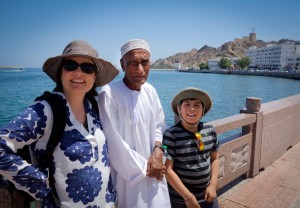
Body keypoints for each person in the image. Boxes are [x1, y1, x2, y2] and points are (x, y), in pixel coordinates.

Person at [0, 40, 119, 207]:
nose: (79, 72)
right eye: (71, 65)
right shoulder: (45, 110)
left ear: (94, 76)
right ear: (60, 73)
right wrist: (38, 184)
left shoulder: (94, 107)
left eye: (87, 68)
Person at [98, 39, 171, 207]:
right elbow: (113, 141)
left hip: (155, 168)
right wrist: (147, 168)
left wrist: (159, 150)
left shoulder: (150, 91)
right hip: (127, 176)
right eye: (133, 63)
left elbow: (160, 126)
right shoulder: (109, 93)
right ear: (122, 65)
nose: (140, 69)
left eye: (144, 63)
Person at [163, 87, 220, 208]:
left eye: (197, 105)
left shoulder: (210, 131)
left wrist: (213, 185)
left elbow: (215, 159)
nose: (192, 109)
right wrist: (188, 197)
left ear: (203, 109)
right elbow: (168, 170)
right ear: (179, 109)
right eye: (187, 104)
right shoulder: (171, 135)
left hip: (207, 195)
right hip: (181, 199)